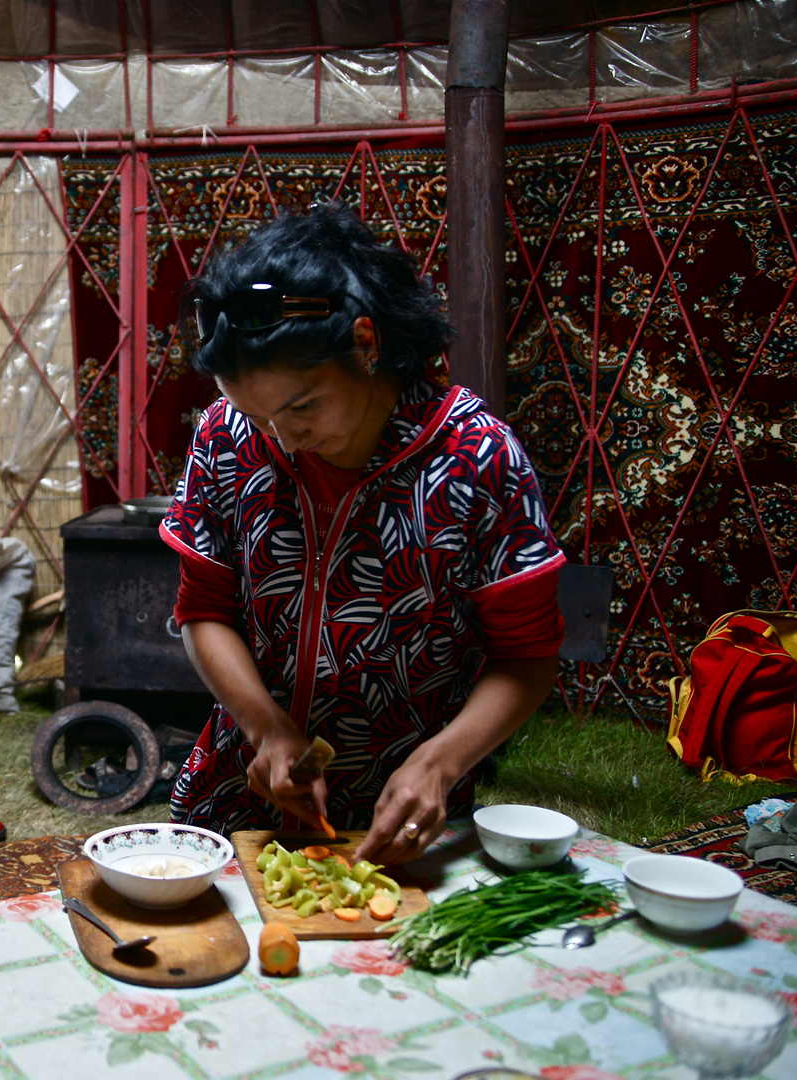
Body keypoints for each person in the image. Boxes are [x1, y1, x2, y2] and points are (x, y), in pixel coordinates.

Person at [162, 204, 565, 866]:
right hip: (237, 798)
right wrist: (267, 730)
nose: (282, 438)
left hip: (405, 814)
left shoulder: (473, 458)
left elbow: (526, 658)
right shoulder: (224, 437)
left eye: (301, 407)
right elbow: (202, 610)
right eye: (254, 413)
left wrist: (438, 765)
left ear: (366, 342)